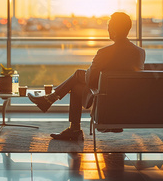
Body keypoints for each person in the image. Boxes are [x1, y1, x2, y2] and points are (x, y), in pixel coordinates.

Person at [28, 12, 145, 141]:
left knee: (78, 80)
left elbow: (90, 80)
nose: (108, 31)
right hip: (125, 105)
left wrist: (91, 68)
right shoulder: (139, 52)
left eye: (109, 27)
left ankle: (68, 121)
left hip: (105, 101)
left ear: (114, 30)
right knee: (78, 78)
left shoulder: (104, 53)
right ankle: (51, 102)